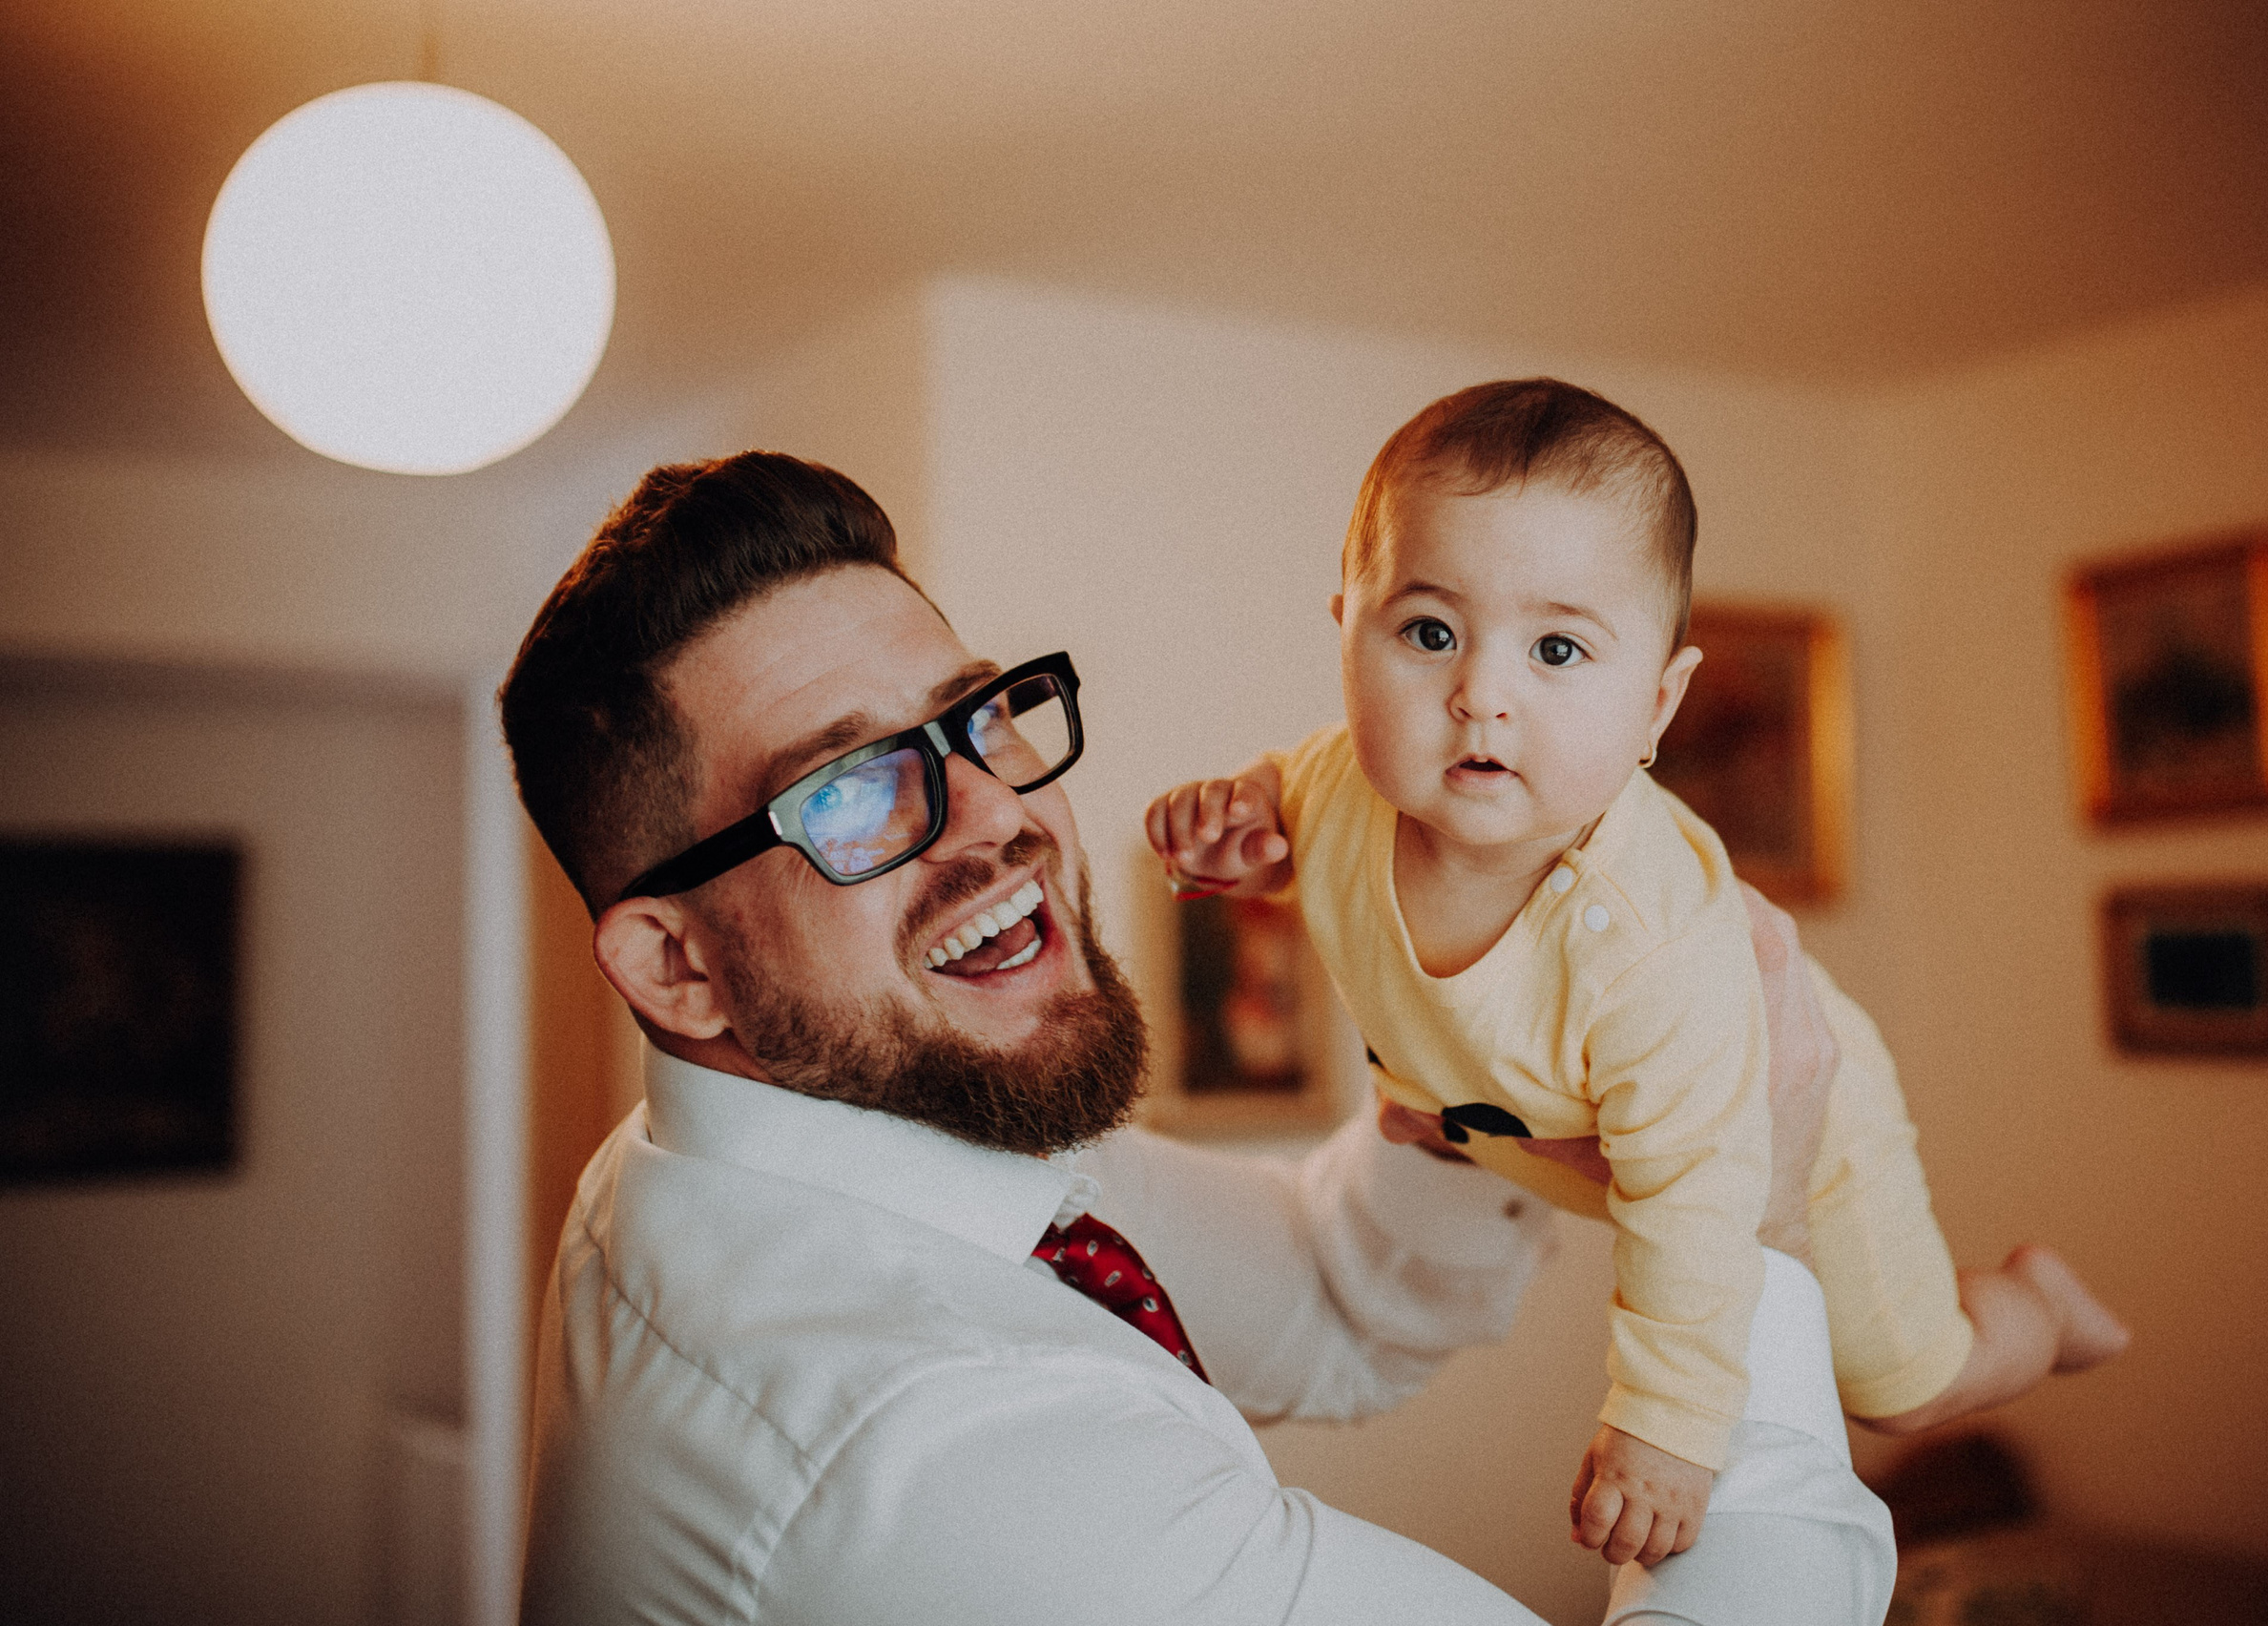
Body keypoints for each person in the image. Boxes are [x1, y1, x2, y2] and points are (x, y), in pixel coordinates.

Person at [504, 449, 1862, 1624]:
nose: (997, 817)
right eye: (854, 790)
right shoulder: (937, 1453)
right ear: (678, 967)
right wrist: (1764, 1232)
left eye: (977, 719)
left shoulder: (799, 1148)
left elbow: (1334, 1301)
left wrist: (1465, 1082)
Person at [1146, 379, 2130, 1592]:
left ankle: (2036, 1309)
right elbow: (1287, 805)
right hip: (1536, 1141)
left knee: (1899, 1384)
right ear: (1344, 625)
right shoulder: (1342, 786)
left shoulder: (1646, 947)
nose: (1479, 694)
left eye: (1556, 648)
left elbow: (1696, 1205)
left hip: (1776, 1145)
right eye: (1428, 631)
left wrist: (1665, 1428)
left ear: (1657, 701)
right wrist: (1236, 823)